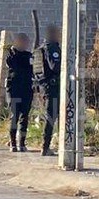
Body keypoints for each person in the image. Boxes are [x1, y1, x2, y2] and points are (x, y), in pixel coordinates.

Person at [5, 33, 34, 153]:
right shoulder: (11, 55)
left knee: (24, 117)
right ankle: (13, 143)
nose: (25, 44)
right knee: (15, 116)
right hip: (14, 90)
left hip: (26, 89)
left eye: (26, 42)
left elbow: (33, 70)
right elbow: (11, 64)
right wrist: (13, 49)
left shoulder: (29, 56)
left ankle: (22, 143)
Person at [38, 25, 63, 157]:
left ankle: (48, 146)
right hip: (53, 88)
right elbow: (55, 66)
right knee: (52, 117)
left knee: (52, 116)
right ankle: (46, 147)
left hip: (47, 87)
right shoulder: (52, 47)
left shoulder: (43, 47)